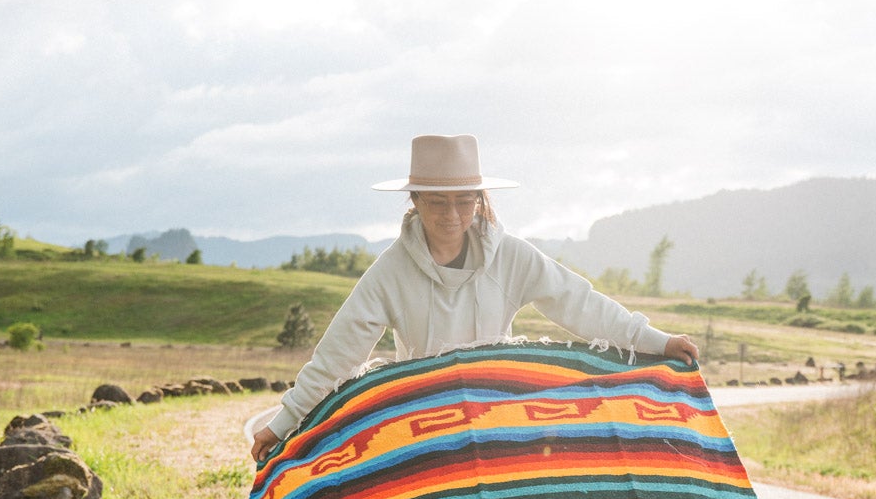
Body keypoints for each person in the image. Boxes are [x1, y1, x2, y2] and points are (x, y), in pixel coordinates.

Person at [249, 134, 697, 462]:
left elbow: (579, 303)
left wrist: (655, 340)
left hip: (498, 420)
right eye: (439, 203)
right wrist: (284, 423)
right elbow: (338, 355)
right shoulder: (389, 273)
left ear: (480, 201)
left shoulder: (513, 257)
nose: (453, 216)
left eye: (465, 202)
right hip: (423, 426)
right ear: (416, 201)